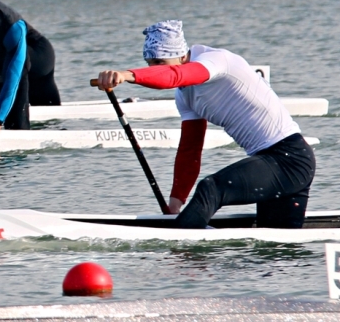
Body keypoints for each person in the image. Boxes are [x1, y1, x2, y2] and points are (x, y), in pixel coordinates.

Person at [94, 20, 316, 229]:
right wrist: (175, 204)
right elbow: (190, 150)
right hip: (270, 164)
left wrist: (126, 75)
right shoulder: (185, 96)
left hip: (290, 158)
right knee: (275, 247)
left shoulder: (216, 61)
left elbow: (174, 76)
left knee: (211, 188)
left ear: (182, 56)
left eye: (159, 63)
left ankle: (180, 249)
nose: (153, 69)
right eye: (149, 64)